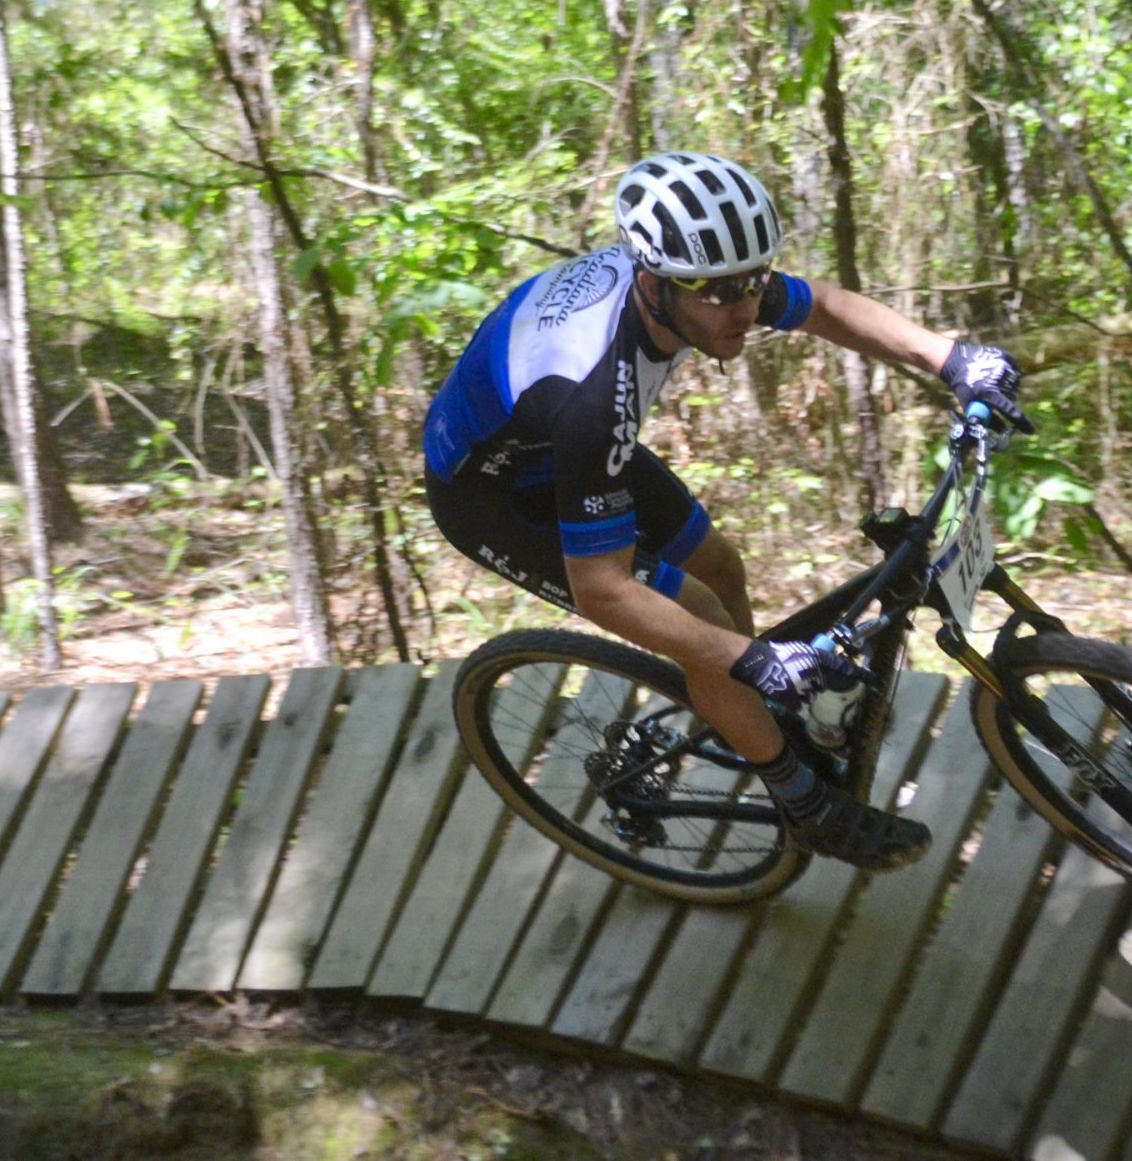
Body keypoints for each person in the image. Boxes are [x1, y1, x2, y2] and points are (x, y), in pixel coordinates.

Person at [423, 151, 1025, 871]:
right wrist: (750, 658)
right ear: (653, 284)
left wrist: (951, 357)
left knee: (720, 567)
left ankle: (755, 719)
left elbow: (824, 307)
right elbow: (602, 590)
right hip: (490, 491)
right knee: (706, 620)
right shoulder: (593, 389)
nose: (745, 307)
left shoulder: (699, 279)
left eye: (754, 281)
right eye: (721, 293)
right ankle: (806, 804)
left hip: (554, 443)